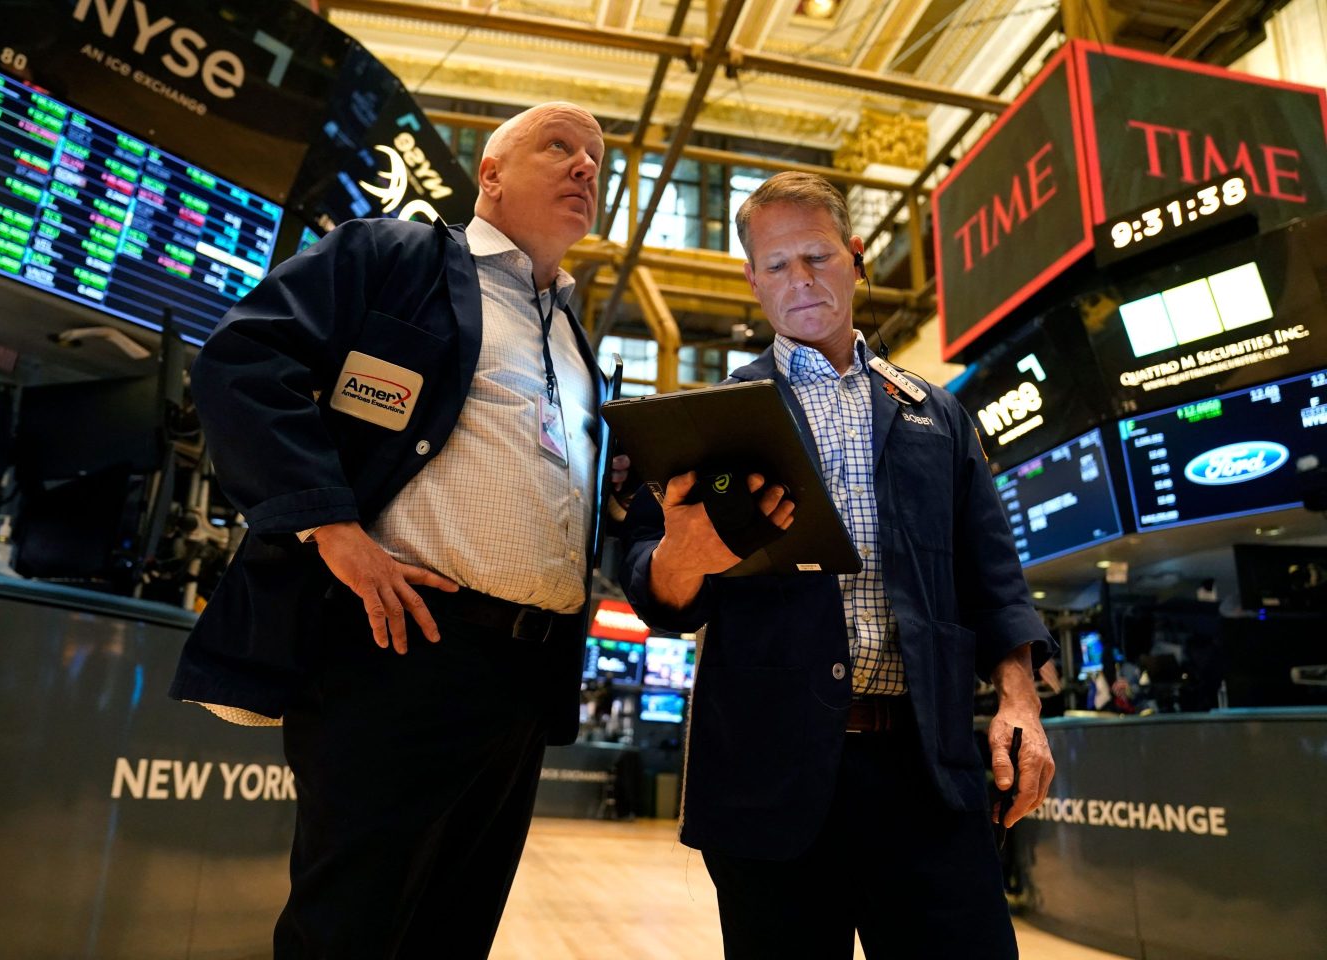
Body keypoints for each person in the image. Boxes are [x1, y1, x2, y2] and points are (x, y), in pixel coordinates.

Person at [170, 101, 622, 959]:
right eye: (559, 147)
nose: (585, 168)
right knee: (352, 929)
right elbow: (241, 362)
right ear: (489, 175)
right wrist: (329, 526)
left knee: (453, 933)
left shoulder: (571, 333)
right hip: (400, 648)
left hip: (526, 675)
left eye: (597, 160)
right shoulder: (390, 254)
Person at [619, 172, 1057, 959]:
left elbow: (993, 575)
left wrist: (1019, 702)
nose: (802, 279)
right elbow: (662, 596)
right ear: (752, 280)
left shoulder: (935, 412)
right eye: (777, 265)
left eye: (818, 256)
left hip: (926, 774)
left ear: (857, 259)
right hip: (768, 778)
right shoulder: (710, 420)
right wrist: (685, 556)